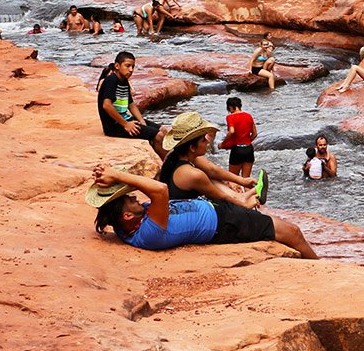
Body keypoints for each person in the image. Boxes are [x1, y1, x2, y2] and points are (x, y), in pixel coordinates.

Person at [87, 165, 315, 257]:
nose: (136, 197)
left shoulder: (130, 221)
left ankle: (248, 198)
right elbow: (160, 189)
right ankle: (320, 268)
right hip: (226, 225)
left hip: (217, 212)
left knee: (237, 198)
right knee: (292, 232)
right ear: (126, 215)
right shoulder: (147, 232)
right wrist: (117, 175)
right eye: (130, 200)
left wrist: (114, 180)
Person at [156, 111, 261, 208]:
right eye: (203, 140)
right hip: (186, 213)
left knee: (210, 175)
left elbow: (212, 170)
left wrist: (242, 181)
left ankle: (242, 196)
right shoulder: (193, 174)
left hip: (184, 204)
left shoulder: (178, 155)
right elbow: (221, 197)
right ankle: (240, 197)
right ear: (192, 148)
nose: (207, 142)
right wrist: (244, 205)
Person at [96, 52, 165, 156]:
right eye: (127, 66)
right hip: (115, 126)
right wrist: (126, 124)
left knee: (163, 130)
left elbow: (131, 104)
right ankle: (167, 168)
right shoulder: (111, 80)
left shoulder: (124, 81)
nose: (131, 70)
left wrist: (141, 121)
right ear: (117, 66)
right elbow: (106, 105)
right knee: (159, 136)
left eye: (133, 66)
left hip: (126, 120)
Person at [221, 95, 258, 180]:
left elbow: (231, 131)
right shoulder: (248, 116)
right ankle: (251, 192)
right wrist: (247, 141)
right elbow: (255, 134)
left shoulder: (230, 117)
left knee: (233, 180)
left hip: (237, 150)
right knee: (246, 179)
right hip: (249, 149)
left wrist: (223, 144)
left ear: (230, 107)